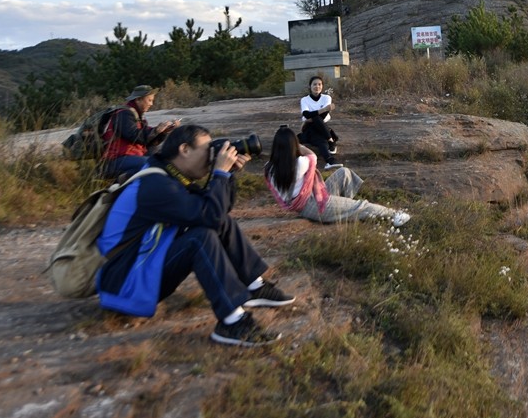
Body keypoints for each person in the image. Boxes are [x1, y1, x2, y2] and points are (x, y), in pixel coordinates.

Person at [97, 124, 295, 347]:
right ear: (185, 149)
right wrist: (219, 173)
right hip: (125, 282)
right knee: (199, 238)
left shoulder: (167, 175)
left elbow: (217, 214)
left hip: (141, 268)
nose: (211, 156)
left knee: (218, 225)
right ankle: (232, 323)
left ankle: (255, 286)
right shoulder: (155, 185)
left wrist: (226, 175)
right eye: (207, 149)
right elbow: (209, 215)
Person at [264, 125, 410, 226]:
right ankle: (394, 215)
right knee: (361, 206)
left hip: (311, 199)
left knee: (343, 173)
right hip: (314, 206)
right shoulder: (300, 163)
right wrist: (298, 146)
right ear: (294, 145)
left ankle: (344, 208)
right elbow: (312, 156)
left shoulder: (268, 169)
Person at [98, 85, 180, 179]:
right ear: (138, 100)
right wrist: (156, 130)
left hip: (130, 158)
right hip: (115, 161)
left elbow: (148, 143)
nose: (151, 104)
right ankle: (121, 182)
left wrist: (163, 132)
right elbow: (134, 136)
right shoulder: (123, 114)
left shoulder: (138, 117)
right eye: (149, 100)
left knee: (164, 161)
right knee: (150, 165)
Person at [298, 75, 341, 170]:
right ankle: (331, 141)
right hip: (308, 127)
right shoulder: (304, 100)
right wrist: (324, 109)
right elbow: (306, 114)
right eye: (314, 84)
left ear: (322, 86)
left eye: (319, 84)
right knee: (317, 120)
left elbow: (322, 116)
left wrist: (312, 116)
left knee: (320, 138)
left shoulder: (326, 98)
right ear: (310, 86)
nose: (317, 86)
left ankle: (330, 161)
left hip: (320, 128)